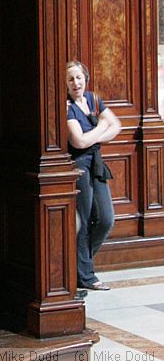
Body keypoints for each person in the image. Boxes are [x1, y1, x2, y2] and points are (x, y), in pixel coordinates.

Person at [66, 60, 121, 293]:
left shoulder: (93, 99)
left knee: (107, 218)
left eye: (78, 77)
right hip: (79, 165)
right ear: (65, 85)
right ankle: (86, 275)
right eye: (70, 79)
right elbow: (78, 141)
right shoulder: (67, 107)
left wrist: (94, 134)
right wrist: (100, 127)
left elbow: (116, 125)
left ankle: (80, 267)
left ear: (85, 78)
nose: (76, 83)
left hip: (96, 163)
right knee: (85, 219)